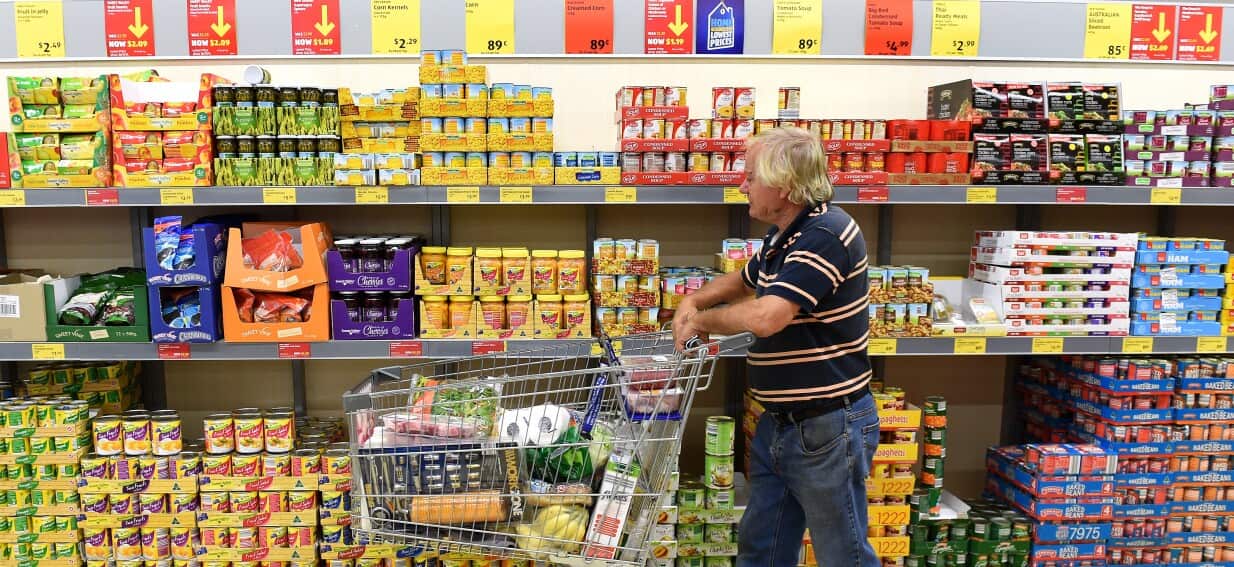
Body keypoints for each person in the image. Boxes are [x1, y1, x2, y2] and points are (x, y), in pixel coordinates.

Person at [672, 127, 878, 567]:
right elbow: (743, 279)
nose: (741, 186)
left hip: (826, 426)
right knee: (762, 548)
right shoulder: (785, 234)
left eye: (750, 177)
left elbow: (767, 317)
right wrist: (692, 302)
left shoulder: (827, 233)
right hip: (781, 424)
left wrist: (701, 322)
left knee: (844, 556)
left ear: (784, 185)